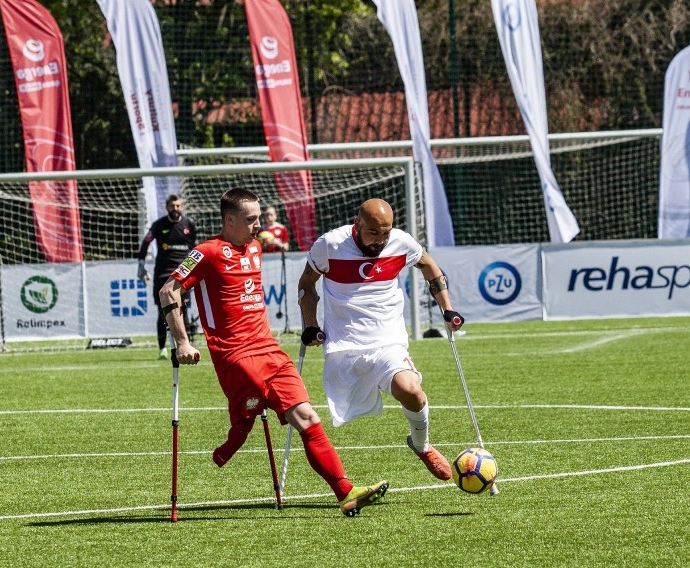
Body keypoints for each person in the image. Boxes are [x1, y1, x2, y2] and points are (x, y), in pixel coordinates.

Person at [159, 187, 388, 517]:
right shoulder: (206, 252)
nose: (258, 226)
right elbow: (169, 290)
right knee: (251, 408)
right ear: (229, 220)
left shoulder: (254, 247)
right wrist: (182, 341)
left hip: (269, 348)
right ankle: (235, 437)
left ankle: (345, 492)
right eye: (251, 220)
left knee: (308, 417)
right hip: (234, 354)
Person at [297, 198, 464, 482]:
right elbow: (306, 284)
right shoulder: (330, 245)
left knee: (410, 389)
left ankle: (422, 445)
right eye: (374, 232)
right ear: (357, 223)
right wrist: (311, 326)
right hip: (344, 346)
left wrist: (447, 308)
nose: (381, 240)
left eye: (386, 232)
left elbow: (428, 265)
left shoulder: (401, 243)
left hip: (388, 341)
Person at [137, 194, 197, 360]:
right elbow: (146, 243)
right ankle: (162, 348)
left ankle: (185, 345)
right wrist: (141, 265)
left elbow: (194, 249)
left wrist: (195, 270)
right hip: (163, 273)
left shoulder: (189, 224)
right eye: (172, 206)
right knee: (162, 312)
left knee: (183, 310)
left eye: (178, 206)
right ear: (167, 207)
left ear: (182, 206)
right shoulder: (158, 225)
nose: (175, 209)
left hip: (184, 273)